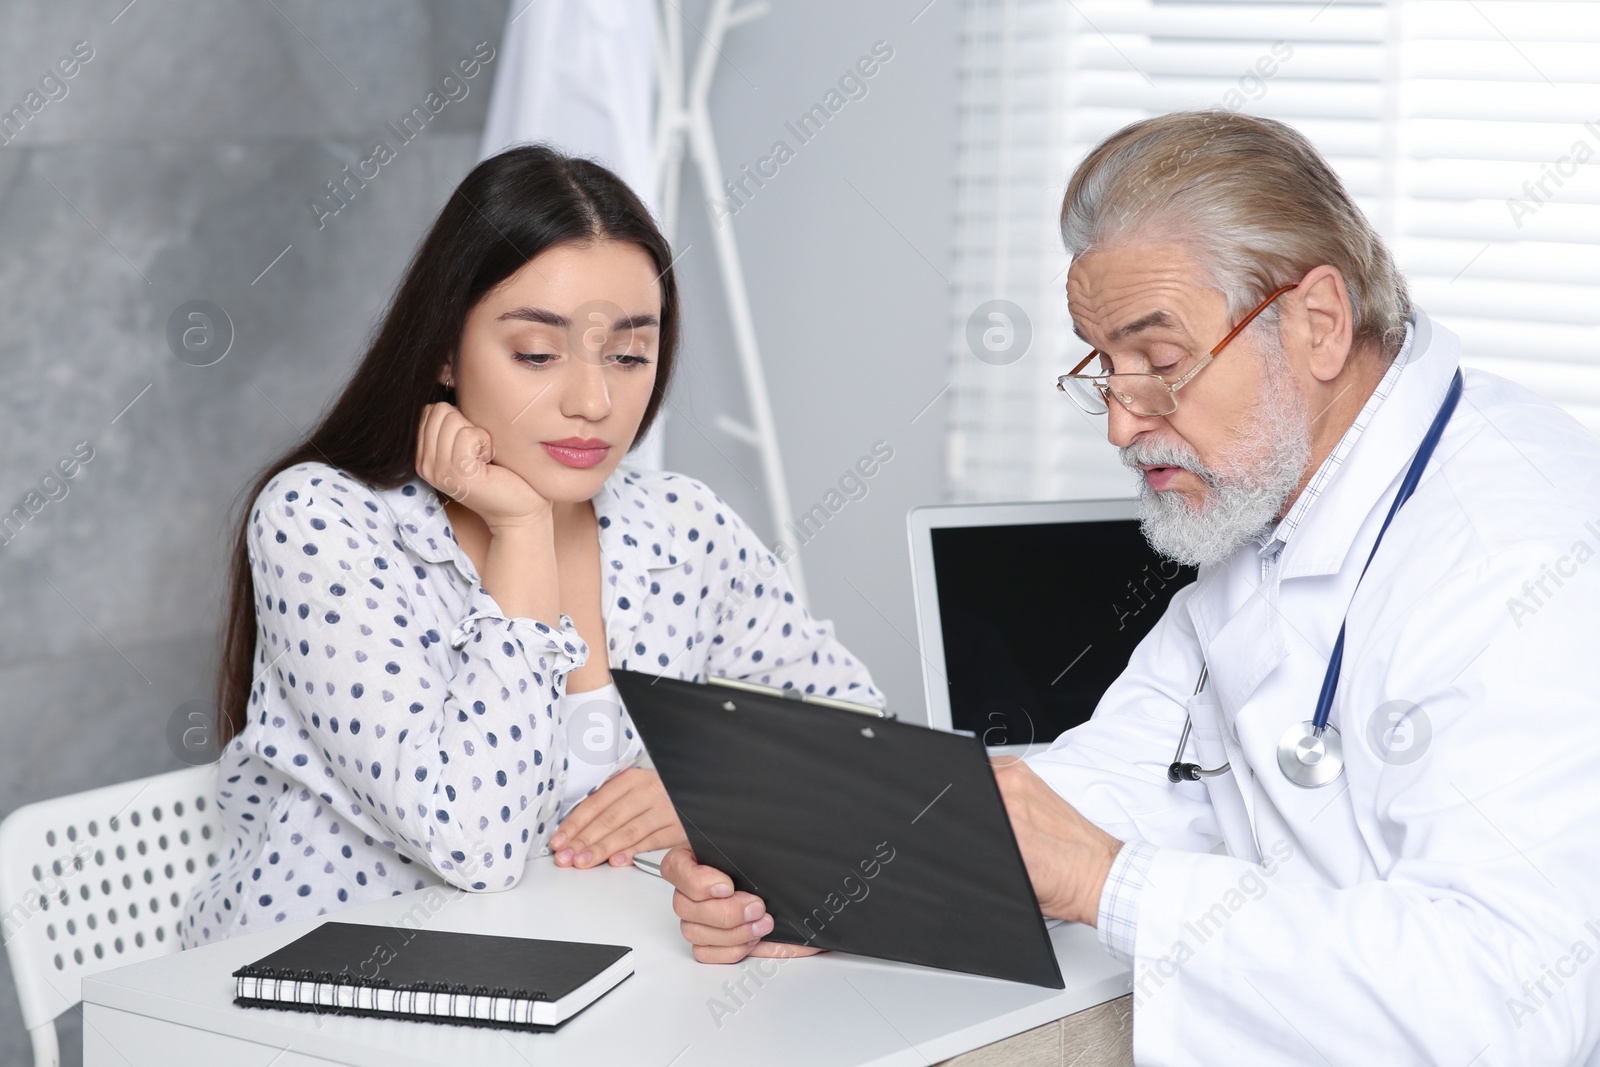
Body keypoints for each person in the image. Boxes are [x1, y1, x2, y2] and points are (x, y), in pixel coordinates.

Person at [662, 111, 1600, 1064]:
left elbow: (1514, 1006)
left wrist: (1114, 886)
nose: (1121, 424)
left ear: (1317, 324)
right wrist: (852, 866)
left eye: (1160, 362)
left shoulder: (1516, 555)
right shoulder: (1272, 501)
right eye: (1103, 365)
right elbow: (1119, 776)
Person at [180, 145, 882, 948]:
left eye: (628, 355)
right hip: (313, 994)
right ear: (444, 350)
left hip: (577, 987)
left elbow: (863, 731)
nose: (592, 400)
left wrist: (711, 793)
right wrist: (519, 530)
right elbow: (473, 845)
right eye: (538, 355)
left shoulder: (681, 527)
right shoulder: (321, 521)